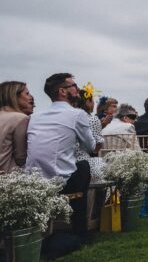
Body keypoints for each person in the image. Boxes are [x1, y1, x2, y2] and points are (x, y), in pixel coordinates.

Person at [26, 73, 95, 234]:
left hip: (33, 180)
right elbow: (90, 147)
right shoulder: (77, 114)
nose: (78, 90)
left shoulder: (35, 117)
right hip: (60, 181)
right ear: (63, 92)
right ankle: (79, 229)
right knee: (84, 166)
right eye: (74, 86)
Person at [71, 85, 106, 183]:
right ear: (87, 102)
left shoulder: (68, 116)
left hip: (65, 161)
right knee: (105, 170)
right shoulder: (92, 119)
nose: (94, 103)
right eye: (92, 100)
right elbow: (95, 148)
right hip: (82, 162)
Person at [0, 81, 30, 173]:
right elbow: (20, 157)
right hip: (8, 176)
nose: (30, 97)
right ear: (14, 96)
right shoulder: (20, 118)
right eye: (27, 93)